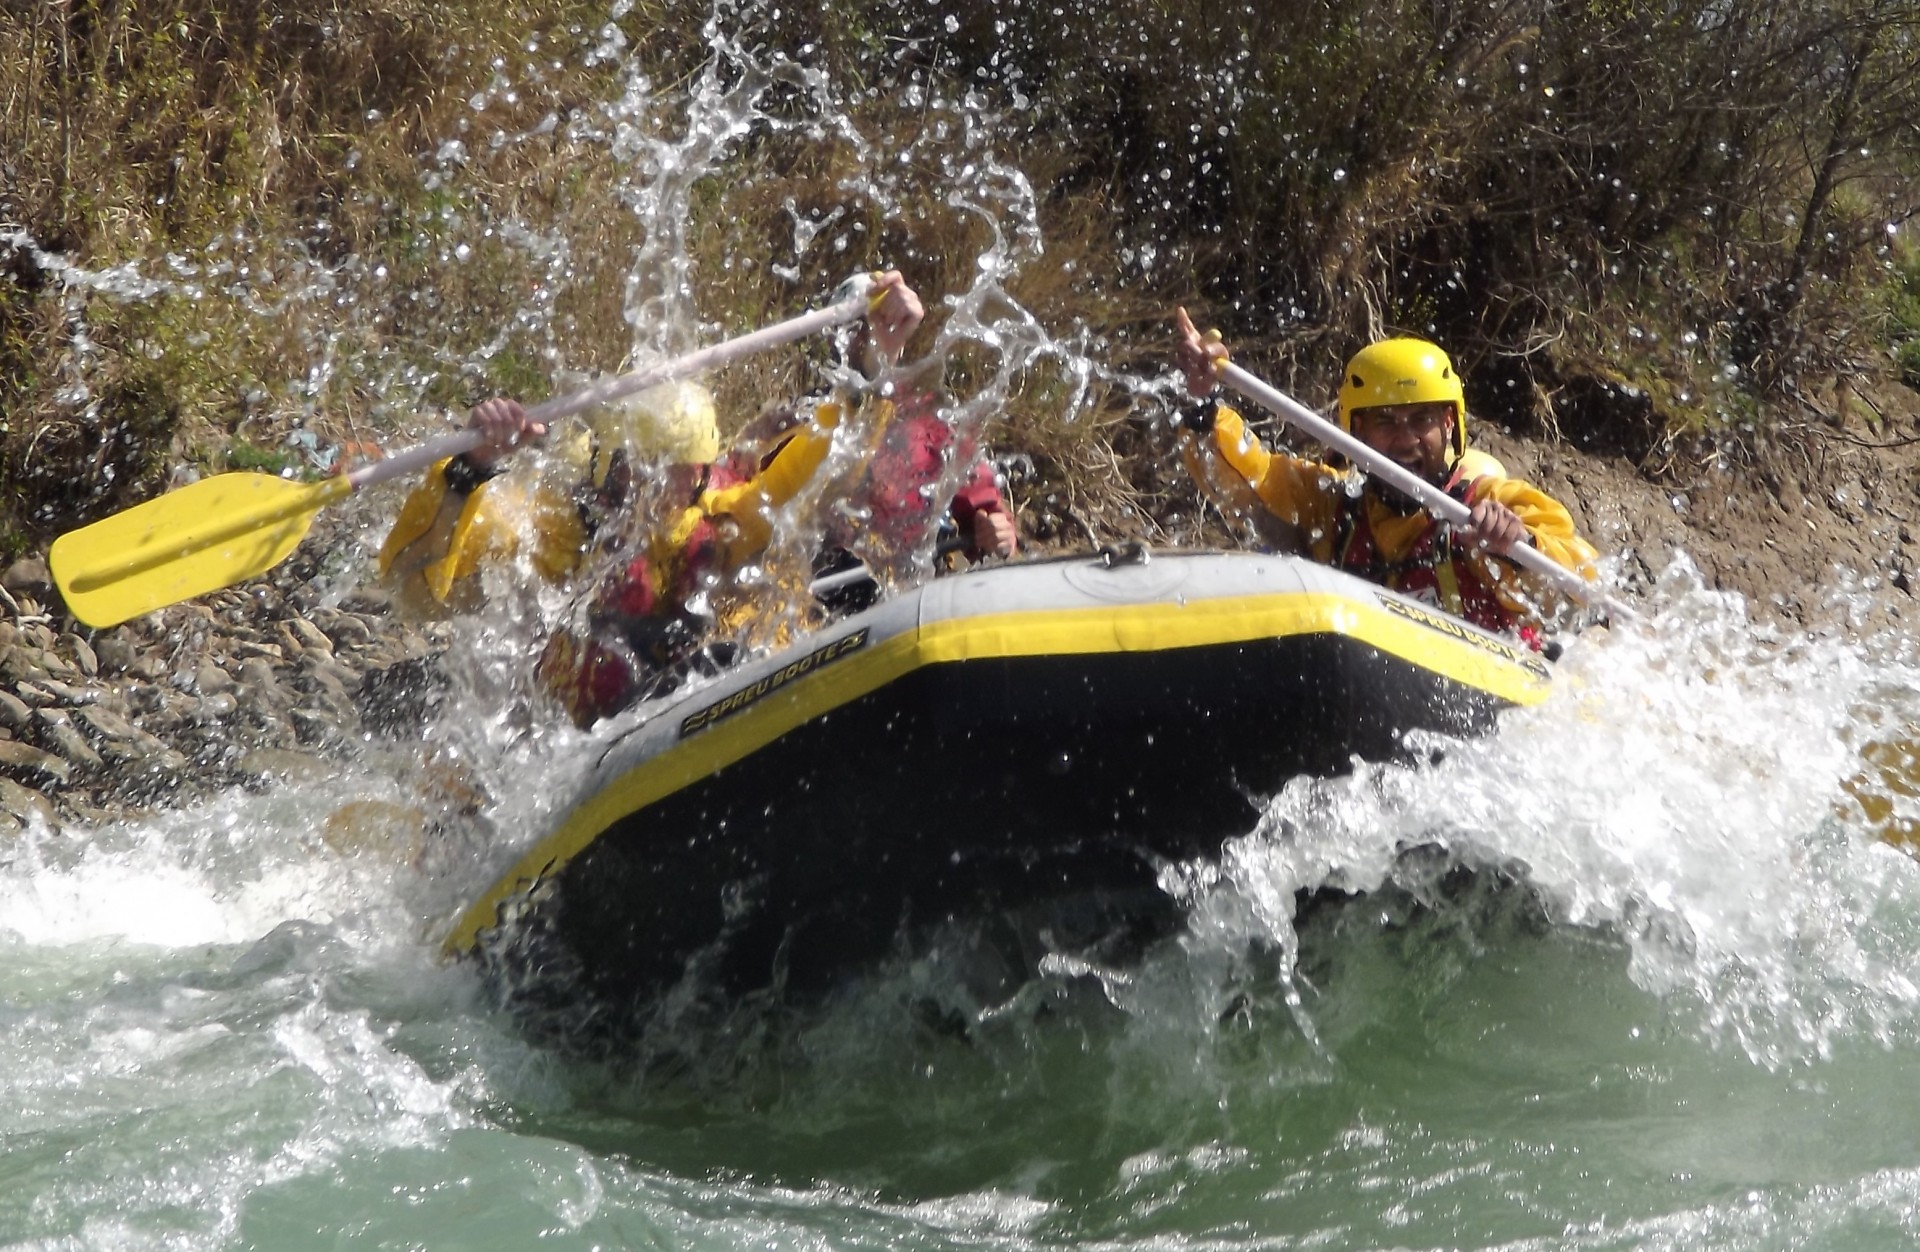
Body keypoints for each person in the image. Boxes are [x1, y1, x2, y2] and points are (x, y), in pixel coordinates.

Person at [378, 272, 1017, 726]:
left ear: (702, 471)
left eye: (678, 475)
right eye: (641, 471)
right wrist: (471, 467)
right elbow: (415, 588)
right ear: (610, 462)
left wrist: (878, 361)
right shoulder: (564, 524)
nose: (657, 491)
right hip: (578, 732)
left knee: (737, 645)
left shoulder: (723, 515)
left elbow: (817, 458)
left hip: (704, 687)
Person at [1172, 308, 1597, 642]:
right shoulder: (1329, 503)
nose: (1405, 439)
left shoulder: (1495, 503)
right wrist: (1201, 403)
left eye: (1421, 420)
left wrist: (1517, 544)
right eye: (1386, 422)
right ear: (1355, 431)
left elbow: (1583, 576)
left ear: (1449, 425)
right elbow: (1246, 474)